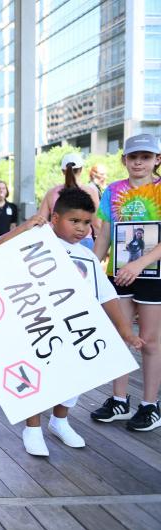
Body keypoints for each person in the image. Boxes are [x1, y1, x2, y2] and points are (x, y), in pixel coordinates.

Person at [0, 188, 143, 454]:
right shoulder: (35, 240)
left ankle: (60, 421)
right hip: (37, 324)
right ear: (55, 218)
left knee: (75, 375)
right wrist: (26, 227)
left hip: (75, 329)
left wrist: (125, 331)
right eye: (74, 221)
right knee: (38, 376)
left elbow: (107, 296)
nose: (82, 229)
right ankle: (33, 428)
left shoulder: (88, 256)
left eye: (86, 223)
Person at [91, 133, 161, 432]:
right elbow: (105, 233)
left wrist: (140, 264)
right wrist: (91, 268)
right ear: (124, 160)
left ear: (157, 160)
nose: (139, 163)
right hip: (119, 274)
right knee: (119, 335)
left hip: (152, 274)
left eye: (145, 157)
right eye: (133, 157)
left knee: (150, 340)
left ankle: (150, 405)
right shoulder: (113, 191)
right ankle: (119, 400)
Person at [37, 153, 101, 250]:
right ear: (81, 170)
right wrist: (100, 245)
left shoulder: (51, 193)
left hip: (56, 241)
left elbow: (40, 221)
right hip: (84, 241)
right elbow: (97, 224)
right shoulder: (91, 191)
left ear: (63, 171)